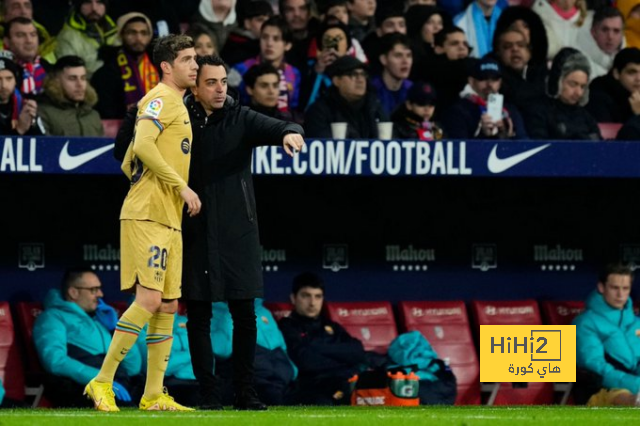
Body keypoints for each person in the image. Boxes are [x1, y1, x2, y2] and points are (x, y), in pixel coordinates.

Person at [84, 34, 202, 413]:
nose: (195, 66)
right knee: (148, 299)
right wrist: (180, 187)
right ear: (167, 66)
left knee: (168, 304)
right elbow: (143, 145)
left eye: (195, 59)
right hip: (147, 213)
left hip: (168, 219)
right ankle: (101, 381)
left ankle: (153, 394)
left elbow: (130, 160)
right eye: (187, 59)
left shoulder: (180, 104)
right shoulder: (158, 98)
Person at [181, 54, 304, 410]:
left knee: (244, 314)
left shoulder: (240, 115)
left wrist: (292, 135)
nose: (220, 89)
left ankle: (245, 392)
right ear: (195, 86)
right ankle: (208, 393)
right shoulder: (179, 117)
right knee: (199, 314)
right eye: (211, 83)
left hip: (238, 231)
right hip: (195, 228)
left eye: (223, 82)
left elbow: (281, 126)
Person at [33, 268, 143, 408]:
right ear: (74, 292)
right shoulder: (53, 317)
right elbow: (55, 361)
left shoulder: (100, 320)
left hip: (118, 384)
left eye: (99, 289)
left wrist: (116, 329)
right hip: (82, 387)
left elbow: (133, 367)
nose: (100, 294)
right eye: (93, 290)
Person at [278, 272, 366, 405]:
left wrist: (316, 347)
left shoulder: (331, 326)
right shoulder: (287, 327)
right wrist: (342, 359)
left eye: (317, 296)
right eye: (306, 296)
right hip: (311, 388)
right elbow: (305, 362)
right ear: (293, 298)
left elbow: (357, 351)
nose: (312, 303)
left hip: (344, 382)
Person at [573, 263, 640, 406]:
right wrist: (636, 384)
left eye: (625, 288)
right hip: (599, 390)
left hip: (634, 386)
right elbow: (596, 367)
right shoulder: (584, 323)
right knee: (623, 396)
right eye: (614, 288)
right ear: (601, 287)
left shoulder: (637, 323)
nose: (620, 295)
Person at [210, 299, 298, 406]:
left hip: (283, 380)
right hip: (254, 383)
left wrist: (293, 370)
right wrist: (231, 313)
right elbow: (223, 351)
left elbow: (281, 345)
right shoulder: (214, 314)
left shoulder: (263, 311)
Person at [441, 55, 527, 139]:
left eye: (494, 79)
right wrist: (482, 134)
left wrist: (506, 133)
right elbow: (458, 149)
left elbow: (525, 145)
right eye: (483, 78)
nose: (489, 84)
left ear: (500, 82)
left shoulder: (510, 111)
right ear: (471, 81)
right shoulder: (458, 111)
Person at [524, 47, 601, 140]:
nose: (579, 93)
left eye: (582, 86)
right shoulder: (538, 112)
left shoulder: (586, 117)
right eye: (573, 84)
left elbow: (599, 148)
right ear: (557, 81)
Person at [92, 12, 159, 119]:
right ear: (121, 35)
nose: (138, 38)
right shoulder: (106, 72)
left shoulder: (160, 67)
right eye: (132, 33)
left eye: (144, 33)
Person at [229, 16, 301, 114]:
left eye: (276, 39)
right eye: (264, 37)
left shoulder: (294, 73)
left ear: (287, 45)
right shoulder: (239, 69)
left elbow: (294, 108)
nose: (269, 43)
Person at [304, 55, 386, 139]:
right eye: (353, 74)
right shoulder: (319, 111)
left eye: (363, 74)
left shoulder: (374, 108)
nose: (360, 80)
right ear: (336, 81)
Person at [39, 55, 104, 137]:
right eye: (72, 78)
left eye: (83, 78)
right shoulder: (43, 113)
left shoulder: (93, 116)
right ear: (56, 82)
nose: (80, 84)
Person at [493, 28, 547, 117]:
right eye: (507, 46)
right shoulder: (495, 78)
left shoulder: (543, 74)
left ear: (529, 52)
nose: (515, 49)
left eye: (521, 45)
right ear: (498, 53)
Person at [55, 0, 118, 76]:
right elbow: (71, 76)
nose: (94, 8)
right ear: (79, 6)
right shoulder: (67, 37)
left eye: (99, 2)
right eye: (87, 2)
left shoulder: (119, 31)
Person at [587, 47, 640, 125]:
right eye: (631, 72)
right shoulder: (598, 98)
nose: (638, 78)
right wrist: (638, 115)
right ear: (616, 73)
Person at [3, 17, 52, 95]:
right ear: (7, 42)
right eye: (20, 35)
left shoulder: (49, 68)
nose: (29, 40)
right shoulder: (3, 71)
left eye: (33, 35)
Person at [577, 7, 626, 80]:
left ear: (622, 34)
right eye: (605, 30)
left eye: (616, 31)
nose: (610, 37)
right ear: (593, 32)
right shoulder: (578, 63)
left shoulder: (630, 63)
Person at [219, 0, 273, 66]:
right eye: (260, 20)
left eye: (269, 20)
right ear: (247, 23)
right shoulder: (234, 49)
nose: (266, 24)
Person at [371, 33, 413, 116]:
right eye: (398, 56)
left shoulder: (412, 90)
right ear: (383, 59)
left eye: (408, 56)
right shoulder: (371, 90)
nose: (405, 61)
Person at [0, 55, 43, 135]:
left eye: (9, 78)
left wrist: (32, 123)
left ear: (16, 81)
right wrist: (19, 129)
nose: (4, 85)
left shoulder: (23, 105)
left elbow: (42, 143)